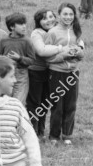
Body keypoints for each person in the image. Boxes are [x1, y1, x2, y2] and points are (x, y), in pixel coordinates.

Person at [44, 3, 84, 145]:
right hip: (56, 73)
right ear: (59, 15)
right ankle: (54, 136)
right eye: (65, 14)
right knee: (57, 105)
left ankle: (67, 135)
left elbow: (81, 52)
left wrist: (79, 52)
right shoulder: (52, 33)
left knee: (71, 105)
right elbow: (47, 58)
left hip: (73, 73)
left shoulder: (76, 31)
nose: (68, 17)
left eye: (71, 14)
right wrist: (63, 55)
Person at [28, 9, 67, 139]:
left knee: (45, 103)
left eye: (51, 17)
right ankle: (32, 131)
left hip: (51, 71)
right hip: (36, 72)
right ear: (39, 22)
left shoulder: (56, 31)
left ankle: (41, 131)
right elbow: (42, 50)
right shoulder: (36, 33)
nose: (48, 20)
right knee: (35, 103)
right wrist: (61, 48)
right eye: (44, 18)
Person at [0, 13, 35, 105]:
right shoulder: (4, 40)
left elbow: (32, 60)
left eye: (24, 23)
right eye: (20, 24)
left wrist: (19, 58)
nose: (24, 26)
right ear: (12, 27)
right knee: (6, 103)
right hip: (6, 74)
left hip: (21, 75)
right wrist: (4, 60)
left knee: (18, 103)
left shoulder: (27, 41)